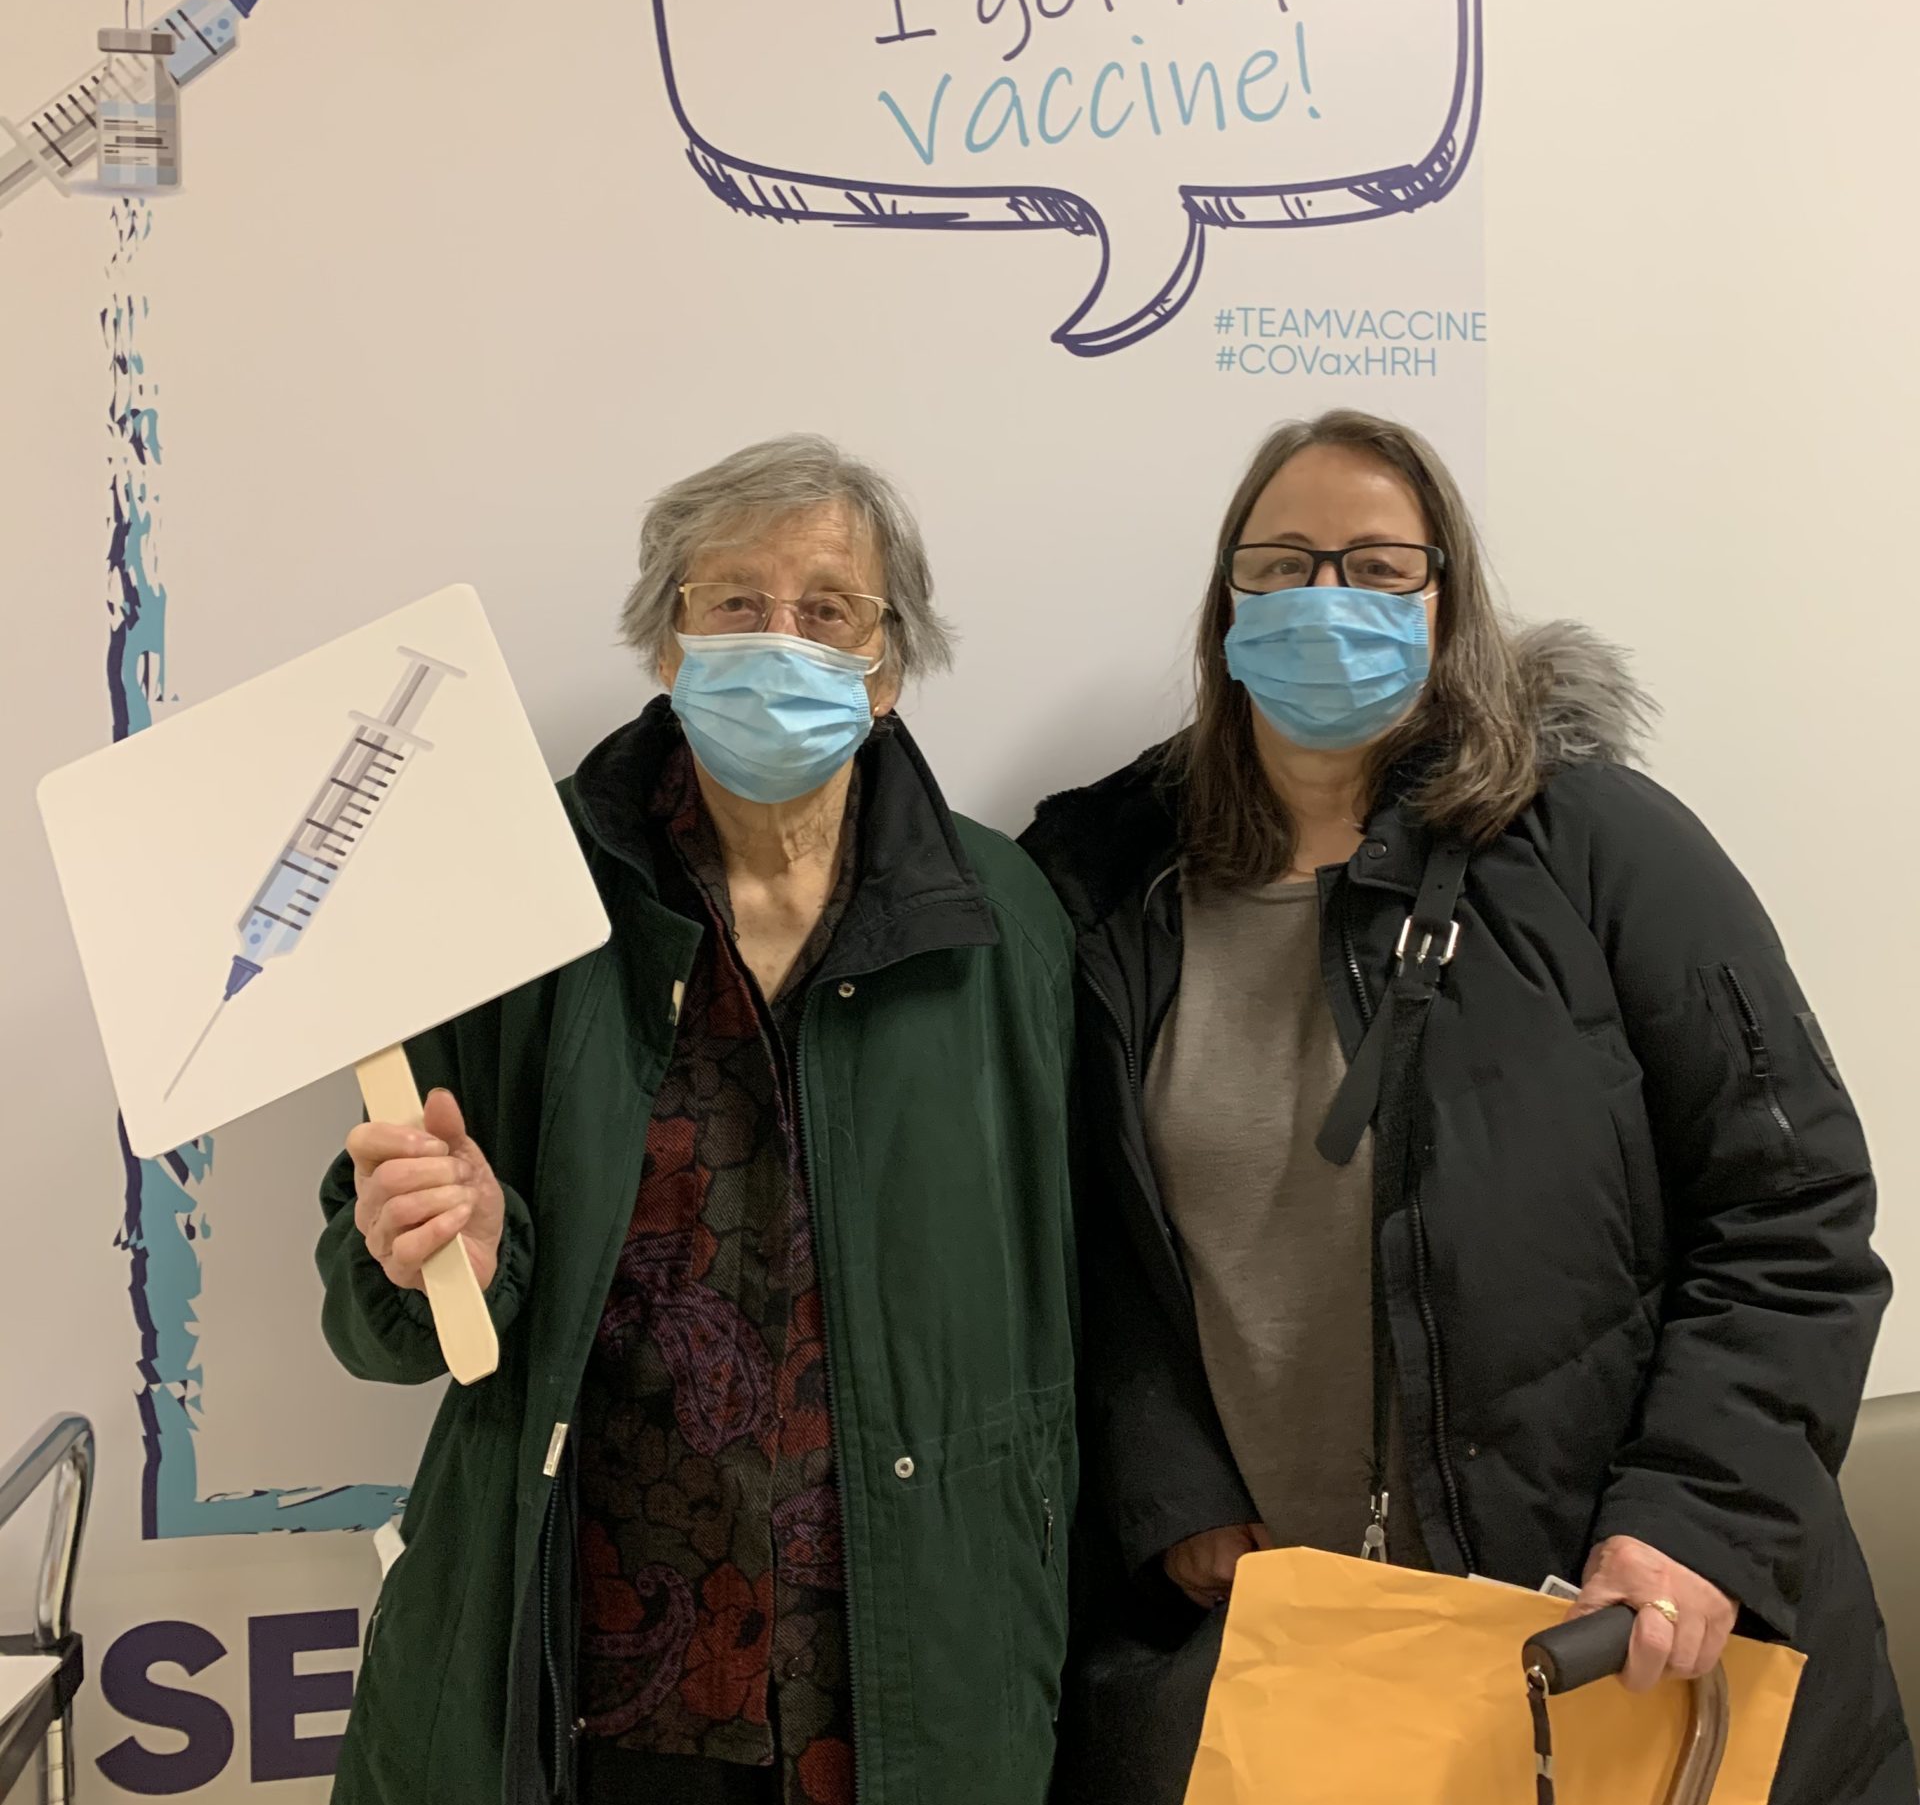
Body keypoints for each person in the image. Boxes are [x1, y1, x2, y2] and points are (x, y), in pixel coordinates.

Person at [1023, 408, 1912, 1805]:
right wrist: (1169, 1487)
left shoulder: (1600, 845)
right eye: (1283, 563)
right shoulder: (1113, 902)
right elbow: (1096, 1250)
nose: (1328, 599)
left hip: (1619, 1641)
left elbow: (1792, 1210)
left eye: (1381, 566)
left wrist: (1692, 1517)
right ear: (1224, 604)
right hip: (1308, 1665)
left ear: (1450, 604)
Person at [318, 437, 1077, 1805]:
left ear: (887, 665)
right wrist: (442, 1251)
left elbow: (1074, 1296)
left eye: (827, 608)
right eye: (733, 601)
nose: (777, 637)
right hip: (596, 1677)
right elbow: (375, 1303)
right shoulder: (521, 892)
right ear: (667, 641)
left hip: (904, 1664)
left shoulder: (1005, 923)